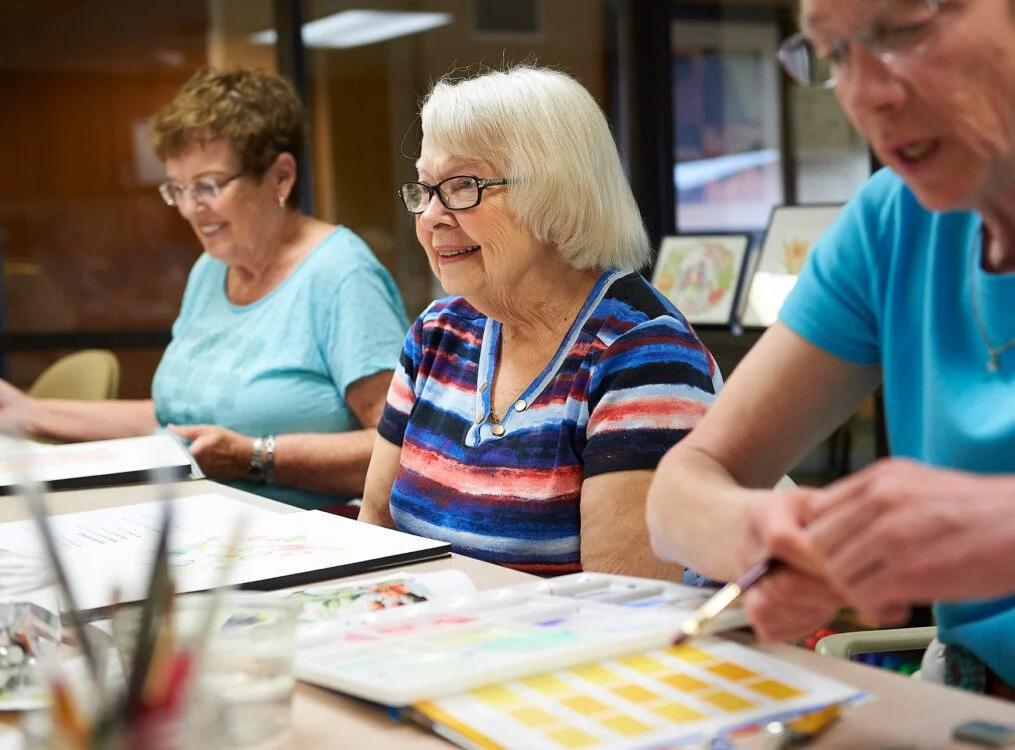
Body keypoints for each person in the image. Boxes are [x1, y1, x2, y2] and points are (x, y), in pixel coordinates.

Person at [646, 0, 1015, 699]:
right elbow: (681, 487)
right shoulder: (892, 220)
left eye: (905, 30)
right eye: (834, 54)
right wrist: (759, 535)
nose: (867, 93)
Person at [357, 65, 722, 578]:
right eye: (425, 189)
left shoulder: (642, 355)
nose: (431, 215)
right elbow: (375, 527)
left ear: (554, 192)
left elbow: (624, 609)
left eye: (462, 186)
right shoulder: (438, 332)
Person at [0, 68, 408, 512]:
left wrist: (255, 456)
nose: (191, 209)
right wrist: (24, 410)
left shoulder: (341, 275)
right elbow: (172, 422)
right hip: (186, 517)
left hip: (290, 530)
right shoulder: (211, 269)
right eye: (178, 188)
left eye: (208, 185)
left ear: (280, 177)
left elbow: (401, 449)